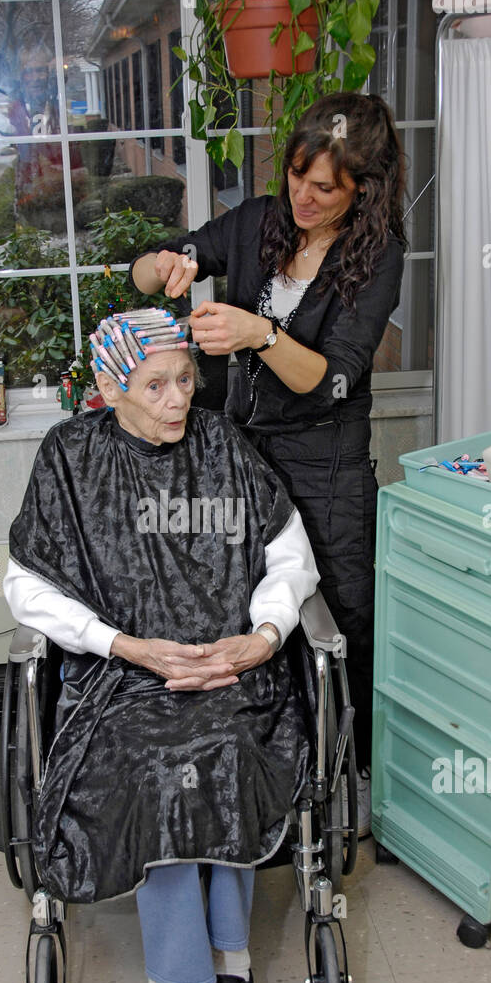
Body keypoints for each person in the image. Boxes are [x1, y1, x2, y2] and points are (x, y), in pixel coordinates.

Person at [2, 315, 320, 983]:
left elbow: (291, 556)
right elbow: (25, 587)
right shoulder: (70, 459)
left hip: (227, 667)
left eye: (186, 379)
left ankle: (234, 971)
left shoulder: (223, 448)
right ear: (112, 390)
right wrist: (124, 645)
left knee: (222, 744)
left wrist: (262, 634)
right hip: (124, 677)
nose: (179, 398)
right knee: (154, 762)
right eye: (156, 385)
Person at [130, 93, 407, 834]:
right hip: (240, 455)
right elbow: (149, 272)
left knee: (340, 618)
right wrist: (164, 267)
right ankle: (272, 764)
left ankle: (350, 778)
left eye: (326, 187)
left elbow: (334, 375)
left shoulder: (376, 255)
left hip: (328, 464)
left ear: (363, 189)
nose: (305, 197)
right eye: (297, 177)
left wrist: (256, 331)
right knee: (249, 604)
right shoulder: (258, 221)